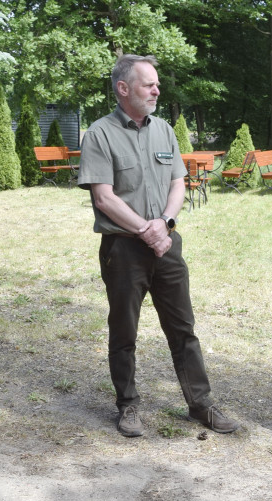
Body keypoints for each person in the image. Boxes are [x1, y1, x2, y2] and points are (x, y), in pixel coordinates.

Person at [78, 54, 239, 437]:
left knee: (184, 328)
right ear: (123, 89)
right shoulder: (99, 134)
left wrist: (165, 224)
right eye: (148, 84)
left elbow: (177, 182)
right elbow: (104, 197)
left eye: (156, 84)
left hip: (167, 244)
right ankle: (128, 405)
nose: (156, 89)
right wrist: (145, 230)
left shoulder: (164, 130)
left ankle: (200, 404)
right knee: (124, 331)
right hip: (123, 248)